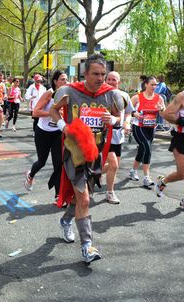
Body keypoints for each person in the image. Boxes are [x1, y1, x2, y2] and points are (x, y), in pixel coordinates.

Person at [50, 53, 125, 263]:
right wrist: (63, 126)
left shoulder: (110, 94)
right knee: (84, 199)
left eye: (103, 74)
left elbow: (121, 115)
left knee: (82, 199)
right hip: (74, 153)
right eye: (95, 74)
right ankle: (87, 246)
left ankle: (66, 220)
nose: (100, 78)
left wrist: (114, 120)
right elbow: (53, 110)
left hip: (96, 154)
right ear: (85, 73)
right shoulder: (70, 91)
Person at [155, 69, 184, 213]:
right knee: (183, 173)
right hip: (182, 138)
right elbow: (167, 114)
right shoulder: (182, 96)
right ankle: (163, 181)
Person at [24, 70, 68, 203]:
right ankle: (30, 176)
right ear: (55, 81)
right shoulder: (49, 94)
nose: (65, 82)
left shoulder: (67, 95)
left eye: (66, 79)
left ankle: (57, 195)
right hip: (43, 132)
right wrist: (52, 113)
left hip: (57, 133)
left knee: (58, 164)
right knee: (41, 162)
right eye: (62, 79)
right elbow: (35, 112)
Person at [129, 76, 165, 187]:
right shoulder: (137, 97)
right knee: (147, 149)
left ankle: (133, 170)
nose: (154, 87)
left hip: (151, 128)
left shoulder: (159, 98)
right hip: (138, 127)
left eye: (156, 85)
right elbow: (127, 110)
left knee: (142, 150)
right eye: (152, 84)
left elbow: (164, 113)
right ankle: (146, 177)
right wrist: (135, 114)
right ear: (146, 85)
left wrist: (161, 109)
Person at [103, 71, 133, 204]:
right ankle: (110, 192)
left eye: (113, 79)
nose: (110, 81)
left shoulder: (124, 95)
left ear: (118, 82)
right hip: (103, 135)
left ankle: (94, 173)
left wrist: (127, 123)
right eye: (108, 79)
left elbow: (128, 113)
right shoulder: (100, 94)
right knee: (113, 164)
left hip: (118, 135)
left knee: (114, 166)